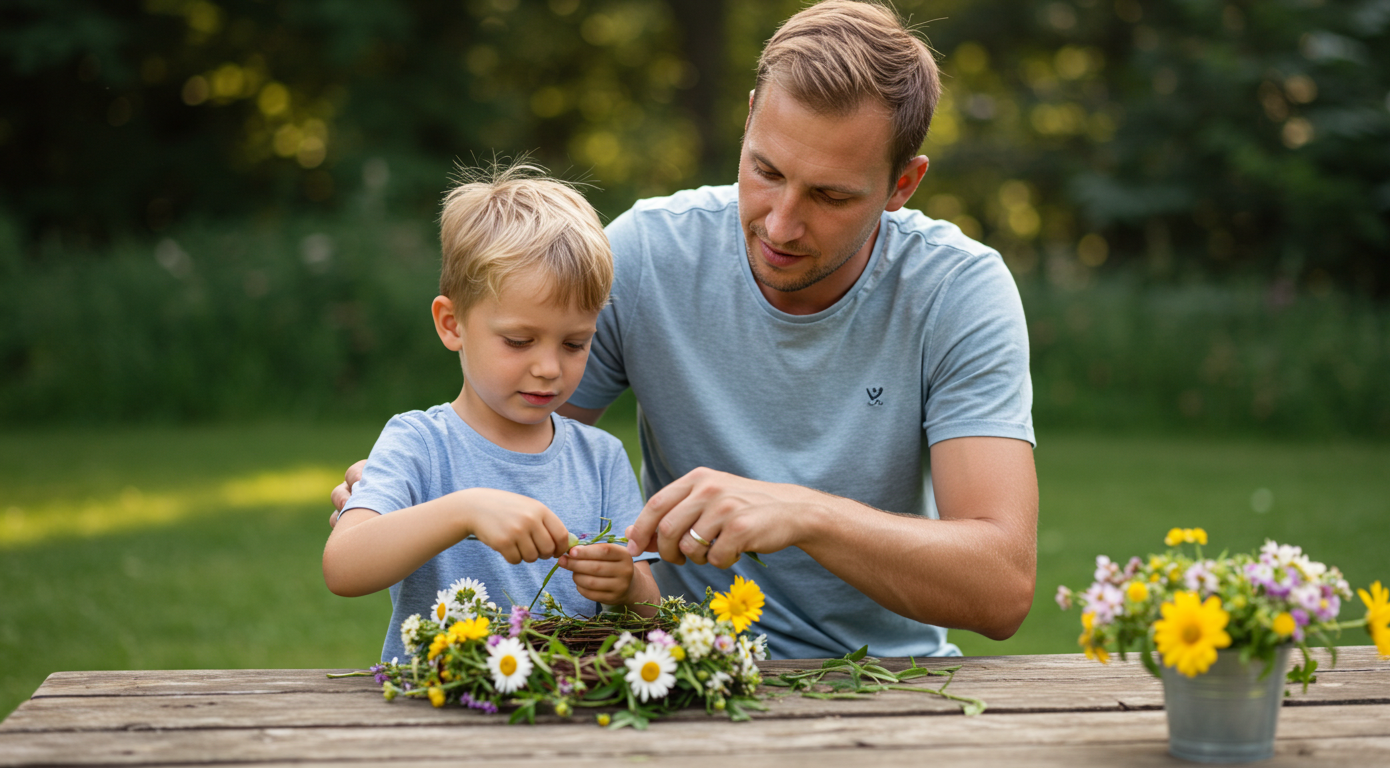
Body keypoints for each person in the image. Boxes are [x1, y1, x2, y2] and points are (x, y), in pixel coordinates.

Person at [334, 0, 1037, 660]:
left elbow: (1001, 590)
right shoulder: (647, 256)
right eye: (765, 170)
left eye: (830, 196)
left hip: (886, 680)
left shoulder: (956, 292)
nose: (781, 224)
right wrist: (410, 493)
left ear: (903, 184)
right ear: (751, 117)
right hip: (685, 669)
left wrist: (803, 515)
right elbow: (517, 440)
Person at [323, 164, 660, 663]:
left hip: (564, 707)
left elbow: (652, 613)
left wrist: (628, 583)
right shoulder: (418, 442)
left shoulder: (601, 458)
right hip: (438, 706)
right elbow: (343, 567)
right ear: (452, 323)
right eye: (519, 341)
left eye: (575, 343)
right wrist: (466, 510)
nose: (549, 368)